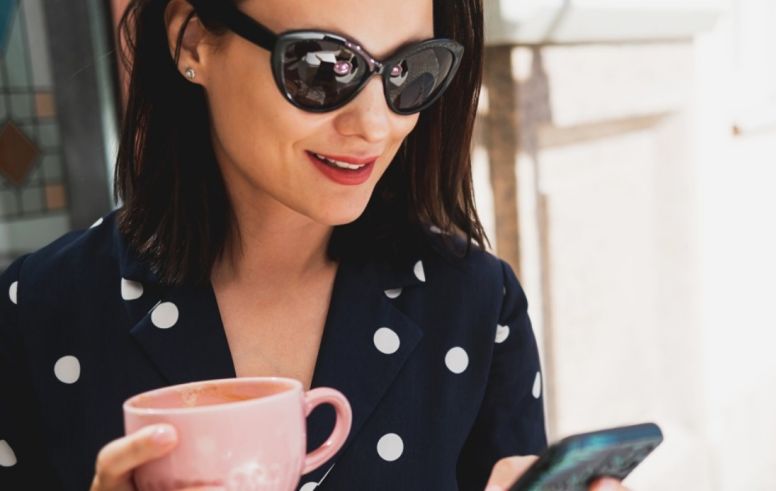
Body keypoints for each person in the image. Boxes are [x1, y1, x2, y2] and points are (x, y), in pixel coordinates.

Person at [0, 0, 631, 490]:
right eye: (325, 67)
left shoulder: (476, 305)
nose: (375, 124)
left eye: (411, 71)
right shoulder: (38, 313)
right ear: (193, 41)